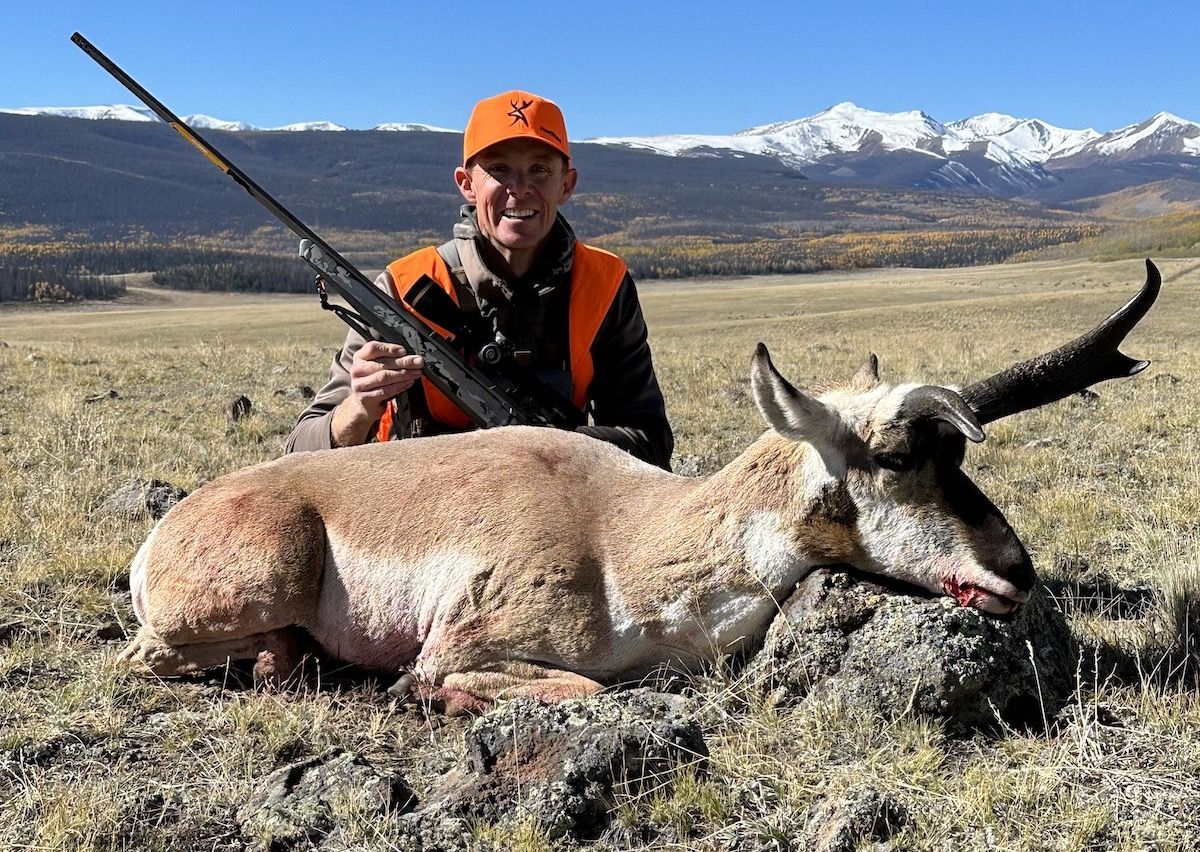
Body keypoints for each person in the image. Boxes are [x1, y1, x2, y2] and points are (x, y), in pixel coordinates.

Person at [285, 90, 673, 469]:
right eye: (499, 169)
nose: (520, 188)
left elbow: (649, 439)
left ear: (566, 184)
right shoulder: (401, 291)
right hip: (419, 502)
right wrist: (358, 408)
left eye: (539, 169)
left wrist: (546, 449)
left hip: (558, 500)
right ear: (467, 184)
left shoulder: (605, 283)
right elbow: (298, 452)